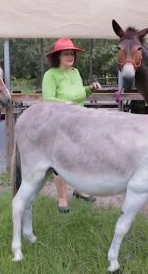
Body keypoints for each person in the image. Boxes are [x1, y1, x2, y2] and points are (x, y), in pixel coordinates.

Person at [42, 37, 102, 213]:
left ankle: (79, 190)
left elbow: (79, 94)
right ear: (58, 56)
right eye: (66, 53)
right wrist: (65, 103)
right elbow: (47, 99)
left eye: (72, 53)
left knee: (79, 158)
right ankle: (62, 198)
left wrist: (90, 89)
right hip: (59, 124)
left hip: (79, 121)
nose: (70, 56)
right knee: (61, 161)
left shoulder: (75, 72)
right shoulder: (50, 75)